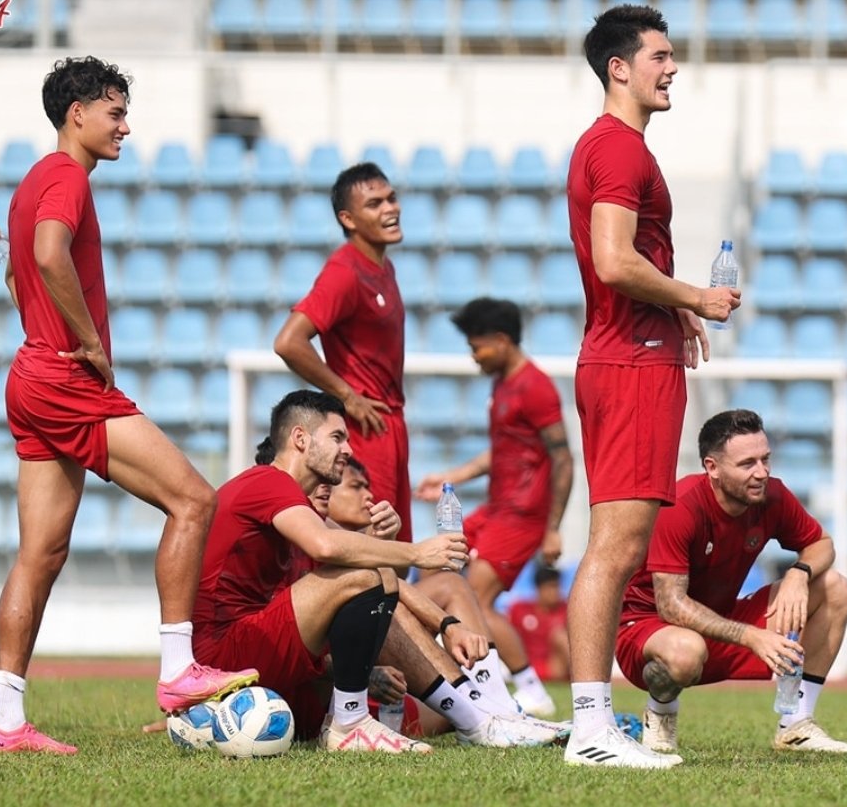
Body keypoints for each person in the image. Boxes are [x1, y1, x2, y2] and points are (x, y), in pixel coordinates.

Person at [0, 56, 256, 755]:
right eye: (115, 112)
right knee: (195, 500)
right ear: (77, 113)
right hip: (65, 378)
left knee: (39, 554)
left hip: (31, 376)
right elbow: (45, 255)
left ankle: (5, 720)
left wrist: (42, 337)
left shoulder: (34, 180)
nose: (125, 127)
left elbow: (18, 270)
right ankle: (176, 671)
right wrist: (82, 341)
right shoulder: (66, 176)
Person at [562, 4, 742, 768]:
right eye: (659, 56)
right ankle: (591, 728)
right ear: (619, 68)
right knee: (614, 547)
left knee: (618, 544)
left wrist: (674, 313)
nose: (671, 69)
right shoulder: (617, 149)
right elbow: (611, 259)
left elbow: (626, 266)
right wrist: (692, 297)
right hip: (628, 363)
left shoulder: (617, 147)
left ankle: (593, 723)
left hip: (637, 353)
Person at [193, 389, 561, 752]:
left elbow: (374, 569)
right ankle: (357, 721)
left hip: (279, 672)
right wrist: (417, 552)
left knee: (375, 575)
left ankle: (484, 715)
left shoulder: (294, 507)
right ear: (300, 439)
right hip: (231, 660)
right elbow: (330, 549)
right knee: (363, 577)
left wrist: (447, 625)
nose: (348, 449)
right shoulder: (268, 482)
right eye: (337, 437)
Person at [616, 409, 847, 754]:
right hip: (651, 630)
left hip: (723, 621)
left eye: (765, 459)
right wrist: (751, 636)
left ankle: (796, 724)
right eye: (747, 464)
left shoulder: (772, 495)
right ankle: (661, 713)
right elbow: (671, 605)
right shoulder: (679, 507)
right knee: (685, 651)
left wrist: (798, 574)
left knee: (835, 587)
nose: (762, 472)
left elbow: (822, 544)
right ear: (712, 468)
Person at [327, 457, 568, 740]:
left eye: (367, 486)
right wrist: (447, 625)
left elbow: (395, 582)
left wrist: (384, 541)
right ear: (323, 491)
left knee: (451, 583)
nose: (368, 495)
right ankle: (490, 714)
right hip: (339, 697)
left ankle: (499, 708)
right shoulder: (312, 536)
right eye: (356, 487)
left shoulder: (346, 536)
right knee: (389, 606)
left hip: (384, 691)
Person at [415, 296, 573, 718]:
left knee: (477, 601)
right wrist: (453, 476)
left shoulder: (535, 388)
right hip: (497, 507)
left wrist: (553, 528)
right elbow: (501, 452)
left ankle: (529, 690)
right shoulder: (502, 384)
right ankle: (449, 672)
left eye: (478, 347)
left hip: (523, 515)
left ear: (502, 340)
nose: (474, 357)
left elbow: (563, 457)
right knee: (434, 568)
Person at [274, 162, 413, 544]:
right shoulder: (345, 272)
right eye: (374, 204)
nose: (390, 209)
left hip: (389, 423)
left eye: (391, 198)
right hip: (366, 428)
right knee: (376, 544)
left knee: (396, 547)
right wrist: (348, 397)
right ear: (348, 219)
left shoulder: (383, 267)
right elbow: (289, 341)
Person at [508, 566, 571, 683]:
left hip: (558, 667)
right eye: (551, 587)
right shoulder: (520, 609)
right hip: (527, 666)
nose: (555, 592)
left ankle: (584, 678)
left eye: (557, 586)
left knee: (560, 636)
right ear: (539, 589)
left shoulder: (567, 609)